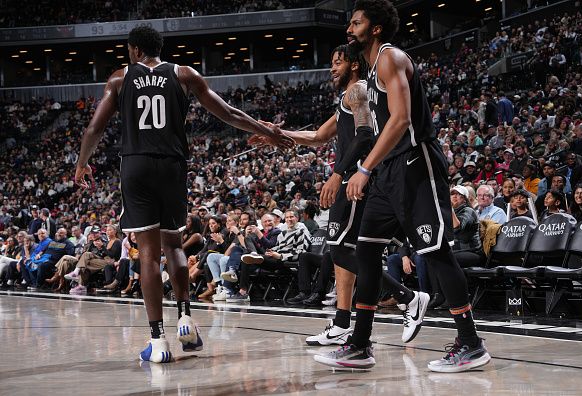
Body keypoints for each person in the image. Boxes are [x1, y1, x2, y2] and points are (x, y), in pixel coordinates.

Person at [74, 26, 292, 363]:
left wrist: (81, 164)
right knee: (173, 244)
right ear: (159, 48)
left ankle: (158, 341)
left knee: (147, 254)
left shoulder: (119, 79)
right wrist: (269, 132)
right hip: (172, 166)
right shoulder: (183, 74)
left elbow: (94, 128)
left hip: (136, 166)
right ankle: (186, 319)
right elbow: (229, 113)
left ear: (133, 50)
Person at [316, 0, 489, 372]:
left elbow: (401, 120)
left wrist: (363, 168)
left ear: (375, 28)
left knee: (436, 251)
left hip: (414, 162)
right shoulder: (368, 75)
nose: (349, 28)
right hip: (387, 172)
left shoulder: (392, 58)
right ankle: (360, 345)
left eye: (356, 22)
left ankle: (471, 343)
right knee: (364, 251)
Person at [254, 44, 375, 345]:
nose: (332, 68)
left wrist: (337, 174)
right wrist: (278, 134)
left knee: (340, 250)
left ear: (354, 65)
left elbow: (365, 136)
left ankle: (406, 296)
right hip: (350, 177)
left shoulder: (357, 90)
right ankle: (343, 322)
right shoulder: (347, 98)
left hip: (355, 179)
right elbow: (318, 136)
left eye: (338, 62)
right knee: (340, 251)